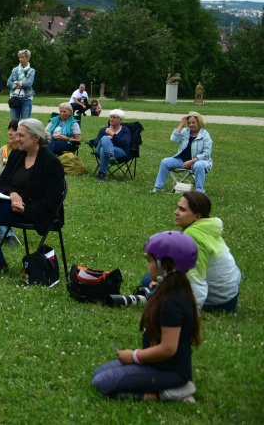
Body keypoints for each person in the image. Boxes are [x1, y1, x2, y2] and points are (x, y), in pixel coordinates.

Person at [91, 231, 201, 403]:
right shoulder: (170, 288)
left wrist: (135, 356)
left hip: (170, 371)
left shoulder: (173, 301)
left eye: (150, 261)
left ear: (163, 264)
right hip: (157, 365)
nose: (148, 266)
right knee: (97, 374)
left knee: (103, 383)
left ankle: (172, 392)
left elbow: (168, 349)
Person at [0, 118, 64, 273]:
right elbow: (3, 182)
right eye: (17, 135)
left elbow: (52, 200)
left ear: (36, 138)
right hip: (12, 207)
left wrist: (26, 210)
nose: (17, 138)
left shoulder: (51, 163)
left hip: (36, 212)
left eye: (21, 135)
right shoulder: (17, 155)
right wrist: (13, 193)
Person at [172, 192, 240, 312]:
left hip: (217, 303)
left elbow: (196, 280)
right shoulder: (207, 227)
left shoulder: (192, 236)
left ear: (197, 216)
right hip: (231, 297)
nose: (176, 212)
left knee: (152, 281)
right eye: (178, 207)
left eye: (182, 209)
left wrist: (191, 313)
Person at [152, 113, 213, 194]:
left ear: (199, 123)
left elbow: (206, 153)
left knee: (199, 165)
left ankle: (199, 192)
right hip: (182, 161)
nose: (191, 125)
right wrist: (181, 125)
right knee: (165, 162)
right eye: (189, 123)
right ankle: (158, 188)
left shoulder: (205, 135)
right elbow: (173, 139)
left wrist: (191, 162)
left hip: (198, 162)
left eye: (193, 123)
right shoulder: (185, 132)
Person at [92, 109, 132, 182]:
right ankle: (110, 155)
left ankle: (102, 174)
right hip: (100, 150)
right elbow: (96, 142)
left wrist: (113, 135)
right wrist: (106, 140)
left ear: (120, 120)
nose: (111, 119)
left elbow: (125, 144)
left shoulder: (125, 130)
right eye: (111, 117)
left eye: (114, 117)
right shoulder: (104, 130)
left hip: (119, 151)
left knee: (103, 150)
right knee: (104, 138)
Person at [6, 48, 35, 120]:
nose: (20, 59)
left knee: (25, 122)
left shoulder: (31, 71)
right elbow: (8, 83)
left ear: (28, 58)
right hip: (14, 98)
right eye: (19, 57)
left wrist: (18, 83)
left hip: (26, 99)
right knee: (14, 121)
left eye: (22, 57)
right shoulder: (15, 70)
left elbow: (29, 83)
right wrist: (17, 85)